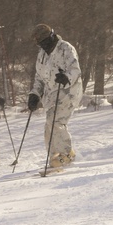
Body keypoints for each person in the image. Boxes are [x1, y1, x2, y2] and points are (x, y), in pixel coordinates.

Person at [28, 23, 83, 169]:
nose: (43, 46)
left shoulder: (66, 48)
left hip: (69, 90)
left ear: (52, 37)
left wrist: (66, 77)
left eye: (44, 42)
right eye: (40, 44)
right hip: (52, 94)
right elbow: (39, 78)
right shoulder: (42, 54)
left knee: (56, 121)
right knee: (49, 124)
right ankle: (55, 156)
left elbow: (75, 70)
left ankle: (67, 154)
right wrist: (34, 94)